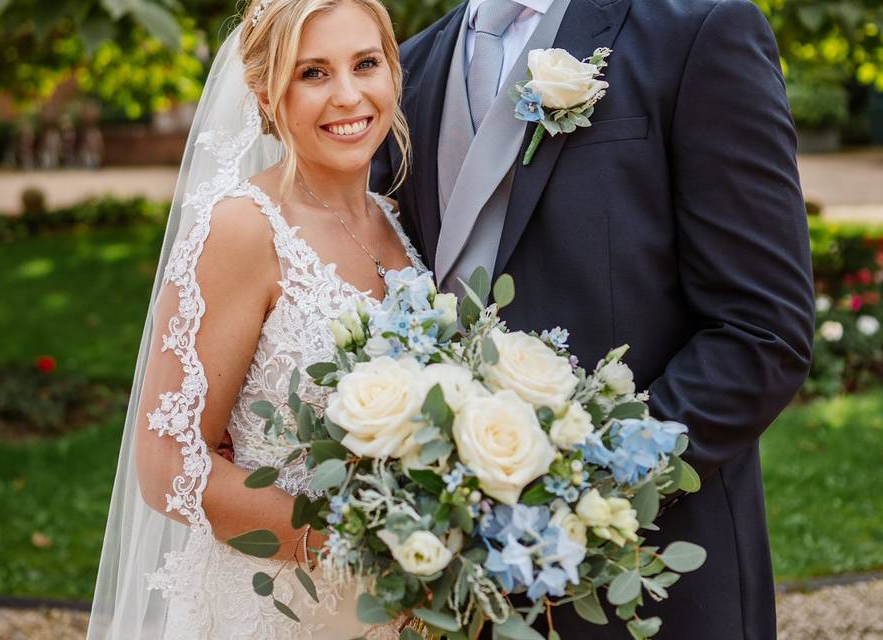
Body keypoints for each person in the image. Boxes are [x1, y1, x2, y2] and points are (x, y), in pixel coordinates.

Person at [371, 0, 815, 637]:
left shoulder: (699, 30)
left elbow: (761, 331)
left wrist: (581, 495)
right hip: (454, 584)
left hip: (648, 573)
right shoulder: (403, 69)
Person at [87, 0, 423, 637]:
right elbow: (168, 464)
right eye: (313, 73)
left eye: (366, 64)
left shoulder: (398, 223)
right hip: (277, 604)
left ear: (394, 73)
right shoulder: (243, 227)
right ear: (266, 94)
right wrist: (365, 553)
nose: (349, 96)